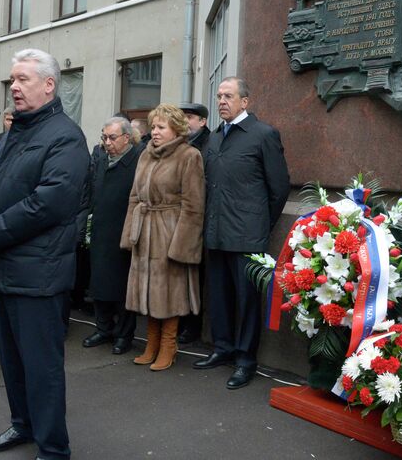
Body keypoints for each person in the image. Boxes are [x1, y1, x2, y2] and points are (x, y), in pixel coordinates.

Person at [0, 48, 88, 459]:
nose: (14, 87)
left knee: (41, 368)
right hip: (5, 270)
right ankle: (23, 426)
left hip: (40, 275)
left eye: (23, 79)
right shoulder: (16, 132)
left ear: (49, 85)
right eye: (12, 80)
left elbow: (48, 203)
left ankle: (53, 449)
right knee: (13, 365)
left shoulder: (66, 136)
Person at [194, 77, 290, 389]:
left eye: (228, 96)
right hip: (217, 231)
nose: (221, 100)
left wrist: (261, 225)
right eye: (219, 96)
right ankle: (222, 348)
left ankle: (246, 360)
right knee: (219, 297)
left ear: (245, 102)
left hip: (248, 235)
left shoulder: (263, 134)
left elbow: (279, 188)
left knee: (248, 301)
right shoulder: (216, 137)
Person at [120, 104, 204, 371]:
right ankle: (151, 343)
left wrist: (182, 245)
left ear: (176, 129)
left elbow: (194, 205)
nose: (154, 132)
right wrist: (129, 235)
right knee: (148, 291)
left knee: (170, 293)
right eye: (153, 127)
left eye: (161, 127)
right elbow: (135, 196)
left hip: (170, 231)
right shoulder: (145, 155)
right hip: (144, 231)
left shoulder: (189, 156)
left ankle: (169, 345)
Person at [82, 117, 140, 354]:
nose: (107, 142)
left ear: (127, 138)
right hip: (101, 230)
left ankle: (124, 335)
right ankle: (103, 328)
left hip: (123, 231)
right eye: (104, 137)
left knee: (122, 287)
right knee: (99, 283)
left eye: (112, 137)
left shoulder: (138, 160)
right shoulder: (102, 159)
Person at [177, 102, 210, 344]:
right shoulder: (180, 144)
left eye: (189, 117)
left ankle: (192, 326)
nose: (185, 121)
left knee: (195, 277)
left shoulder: (208, 145)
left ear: (202, 121)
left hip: (198, 219)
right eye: (182, 117)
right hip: (176, 218)